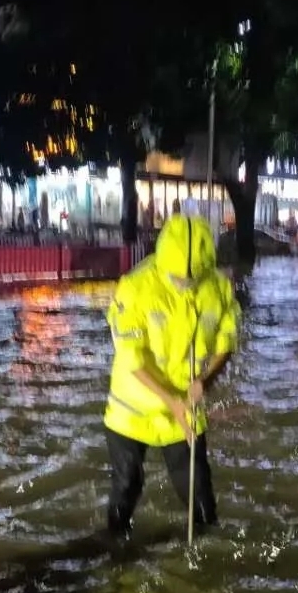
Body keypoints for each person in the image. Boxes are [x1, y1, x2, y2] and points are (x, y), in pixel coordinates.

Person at [103, 214, 240, 538]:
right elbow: (130, 355)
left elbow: (227, 338)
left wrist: (204, 381)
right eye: (176, 277)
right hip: (131, 409)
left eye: (190, 278)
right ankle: (114, 549)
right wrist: (171, 401)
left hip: (185, 408)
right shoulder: (135, 286)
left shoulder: (217, 287)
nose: (184, 283)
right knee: (126, 486)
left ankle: (207, 559)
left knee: (199, 493)